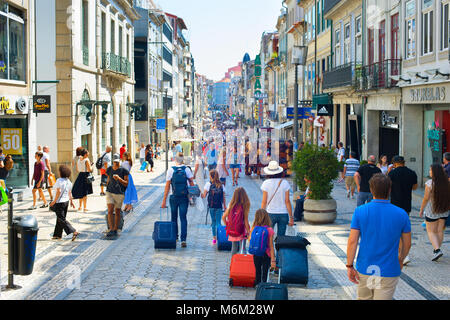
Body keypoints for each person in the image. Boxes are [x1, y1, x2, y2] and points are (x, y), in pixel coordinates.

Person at [346, 173, 411, 300]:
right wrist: (401, 259)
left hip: (365, 268)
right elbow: (407, 243)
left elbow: (352, 241)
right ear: (389, 190)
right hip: (389, 269)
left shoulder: (360, 211)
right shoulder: (401, 214)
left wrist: (349, 265)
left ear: (371, 189)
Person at [388, 156, 418, 265]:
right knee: (405, 230)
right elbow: (415, 187)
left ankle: (403, 255)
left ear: (395, 163)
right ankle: (404, 254)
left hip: (395, 205)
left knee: (397, 231)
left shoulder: (392, 173)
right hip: (406, 205)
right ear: (404, 163)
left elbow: (388, 187)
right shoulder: (411, 173)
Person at [161, 153, 194, 248]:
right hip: (184, 197)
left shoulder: (171, 170)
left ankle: (175, 237)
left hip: (173, 197)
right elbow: (192, 184)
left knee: (174, 218)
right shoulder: (187, 169)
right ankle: (183, 240)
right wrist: (192, 197)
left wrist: (164, 201)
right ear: (182, 159)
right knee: (183, 218)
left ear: (175, 159)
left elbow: (167, 186)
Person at [419, 164, 450, 261]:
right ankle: (437, 249)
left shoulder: (430, 183)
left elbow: (426, 198)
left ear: (435, 172)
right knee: (440, 230)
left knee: (431, 231)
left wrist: (421, 209)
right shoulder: (447, 183)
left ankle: (437, 250)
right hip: (444, 210)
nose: (429, 172)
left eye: (430, 170)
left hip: (432, 210)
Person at [261, 161, 293, 237]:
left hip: (270, 213)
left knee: (268, 237)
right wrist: (291, 217)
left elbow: (264, 201)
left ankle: (271, 249)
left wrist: (262, 215)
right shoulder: (285, 183)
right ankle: (279, 249)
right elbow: (287, 201)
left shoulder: (266, 183)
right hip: (283, 214)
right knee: (281, 238)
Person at [49, 165, 79, 241]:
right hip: (66, 202)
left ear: (61, 172)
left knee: (61, 219)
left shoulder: (59, 180)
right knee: (60, 219)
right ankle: (57, 235)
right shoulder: (68, 181)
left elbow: (58, 191)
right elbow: (69, 192)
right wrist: (71, 201)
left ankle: (73, 231)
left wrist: (54, 202)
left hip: (60, 202)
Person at [105, 153, 129, 238]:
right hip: (110, 192)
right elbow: (108, 179)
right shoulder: (109, 169)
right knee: (110, 210)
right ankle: (111, 229)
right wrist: (106, 186)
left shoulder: (124, 170)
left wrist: (119, 179)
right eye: (115, 162)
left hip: (119, 193)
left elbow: (126, 183)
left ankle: (115, 229)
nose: (116, 164)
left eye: (117, 162)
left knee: (118, 211)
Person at [250, 209, 276, 286]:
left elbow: (250, 240)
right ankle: (263, 287)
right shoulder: (270, 230)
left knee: (257, 271)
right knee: (264, 273)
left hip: (256, 253)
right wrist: (273, 259)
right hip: (266, 254)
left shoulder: (254, 228)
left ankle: (257, 286)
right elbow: (271, 246)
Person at [222, 187, 251, 256]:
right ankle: (242, 263)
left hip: (232, 230)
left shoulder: (231, 204)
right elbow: (246, 221)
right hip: (241, 230)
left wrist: (227, 225)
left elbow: (223, 217)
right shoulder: (245, 205)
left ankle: (233, 263)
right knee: (242, 248)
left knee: (234, 248)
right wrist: (249, 232)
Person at [202, 169, 226, 245]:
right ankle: (220, 237)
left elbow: (204, 195)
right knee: (219, 222)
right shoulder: (221, 185)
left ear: (211, 176)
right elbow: (223, 197)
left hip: (211, 206)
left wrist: (200, 194)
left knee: (213, 222)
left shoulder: (208, 184)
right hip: (219, 206)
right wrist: (224, 206)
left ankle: (214, 238)